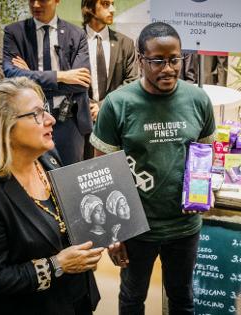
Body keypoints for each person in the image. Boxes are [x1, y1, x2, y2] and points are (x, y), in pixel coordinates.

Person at [91, 22, 216, 315]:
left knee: (182, 298)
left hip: (184, 227)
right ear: (140, 60)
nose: (168, 68)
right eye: (157, 61)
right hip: (136, 229)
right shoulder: (118, 104)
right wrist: (112, 233)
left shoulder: (197, 100)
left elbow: (207, 156)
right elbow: (100, 170)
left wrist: (203, 191)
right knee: (133, 299)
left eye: (174, 59)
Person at [0, 77, 104, 314]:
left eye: (45, 110)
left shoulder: (47, 159)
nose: (51, 119)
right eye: (36, 114)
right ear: (1, 126)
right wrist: (57, 265)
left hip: (77, 299)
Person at [3, 0, 92, 165]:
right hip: (30, 122)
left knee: (69, 181)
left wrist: (29, 75)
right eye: (31, 0)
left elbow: (81, 83)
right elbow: (11, 76)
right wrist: (61, 76)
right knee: (37, 178)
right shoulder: (14, 32)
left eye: (43, 0)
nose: (36, 5)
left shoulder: (76, 34)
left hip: (69, 121)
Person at [81, 0, 138, 159]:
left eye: (113, 4)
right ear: (90, 7)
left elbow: (132, 81)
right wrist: (88, 105)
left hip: (115, 123)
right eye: (106, 4)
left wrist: (103, 105)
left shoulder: (125, 43)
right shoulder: (74, 40)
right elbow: (67, 78)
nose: (112, 9)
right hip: (80, 123)